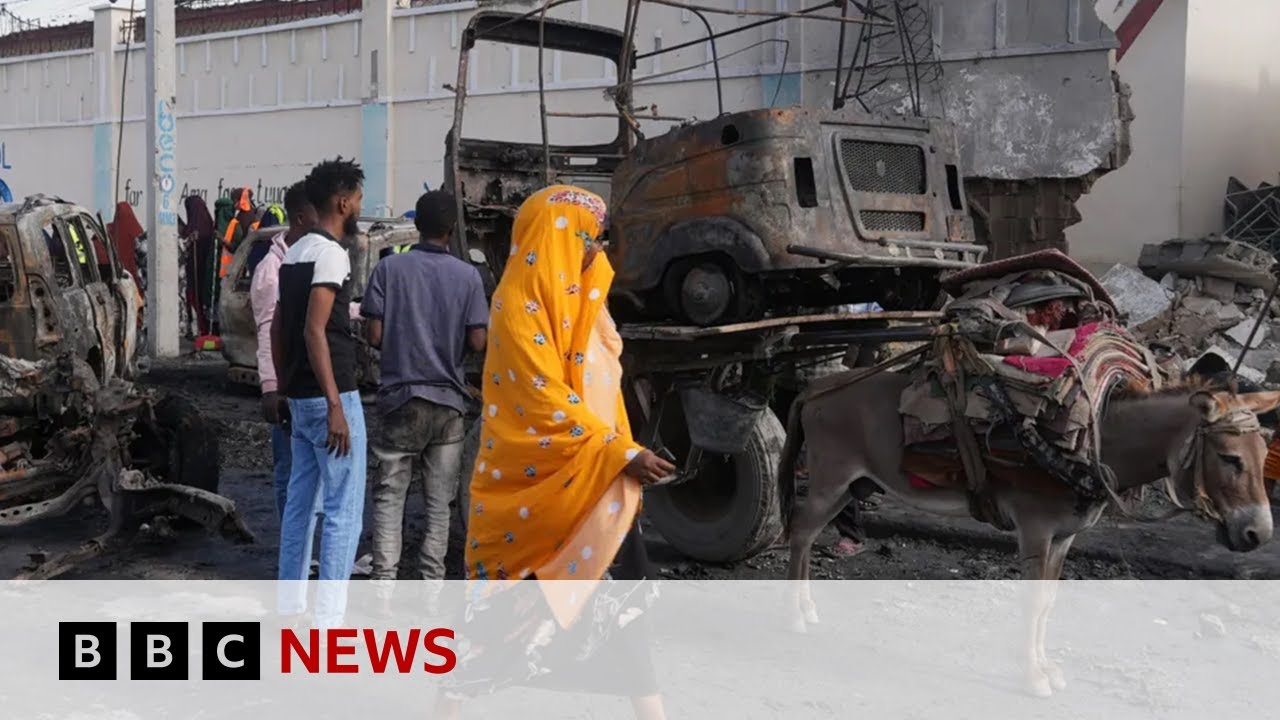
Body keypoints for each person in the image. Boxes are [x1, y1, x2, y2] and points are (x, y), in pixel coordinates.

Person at [438, 185, 674, 720]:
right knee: (497, 623)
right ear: (556, 237)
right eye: (587, 238)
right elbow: (542, 401)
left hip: (599, 485)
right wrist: (619, 451)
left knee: (625, 609)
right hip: (535, 492)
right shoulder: (518, 309)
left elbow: (604, 386)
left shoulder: (585, 305)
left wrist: (621, 455)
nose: (596, 251)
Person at [359, 190, 488, 595]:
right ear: (451, 229)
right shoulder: (468, 277)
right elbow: (479, 341)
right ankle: (431, 593)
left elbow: (374, 333)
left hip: (399, 399)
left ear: (417, 226)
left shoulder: (389, 269)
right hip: (449, 404)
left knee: (389, 497)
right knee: (439, 505)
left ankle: (383, 590)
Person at [270, 157, 367, 628]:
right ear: (343, 201)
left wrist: (287, 388)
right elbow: (314, 331)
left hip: (301, 395)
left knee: (299, 505)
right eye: (359, 198)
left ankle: (289, 604)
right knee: (343, 509)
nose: (360, 206)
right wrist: (335, 406)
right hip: (332, 394)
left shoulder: (293, 251)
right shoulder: (331, 254)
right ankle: (329, 616)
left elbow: (277, 330)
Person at [250, 181, 318, 520]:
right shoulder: (270, 272)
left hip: (312, 386)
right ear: (303, 218)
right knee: (289, 473)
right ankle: (294, 550)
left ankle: (309, 551)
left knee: (311, 475)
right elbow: (266, 332)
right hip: (287, 388)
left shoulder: (310, 257)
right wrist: (271, 390)